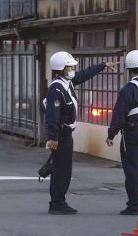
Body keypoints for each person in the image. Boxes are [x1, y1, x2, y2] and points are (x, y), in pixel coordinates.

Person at [45, 51, 118, 215]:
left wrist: (103, 65)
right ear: (61, 68)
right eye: (69, 67)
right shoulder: (57, 89)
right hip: (61, 135)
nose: (72, 69)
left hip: (66, 133)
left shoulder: (67, 82)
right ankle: (57, 202)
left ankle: (59, 200)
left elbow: (84, 75)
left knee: (64, 169)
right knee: (61, 169)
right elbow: (52, 116)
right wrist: (53, 138)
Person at [105, 50, 138, 215]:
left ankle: (134, 205)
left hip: (133, 132)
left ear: (129, 69)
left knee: (133, 169)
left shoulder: (128, 89)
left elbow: (119, 113)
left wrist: (111, 134)